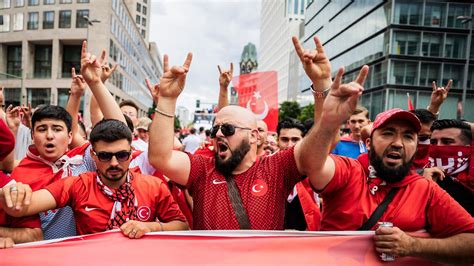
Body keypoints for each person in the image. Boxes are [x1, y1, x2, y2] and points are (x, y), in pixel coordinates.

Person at [147, 35, 333, 230]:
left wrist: (321, 84)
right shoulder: (202, 169)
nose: (219, 134)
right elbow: (160, 157)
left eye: (228, 129)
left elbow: (320, 145)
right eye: (215, 129)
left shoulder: (277, 168)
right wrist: (167, 99)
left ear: (253, 136)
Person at [299, 59, 474, 263]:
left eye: (408, 136)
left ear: (417, 147)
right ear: (369, 143)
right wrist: (328, 118)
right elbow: (312, 164)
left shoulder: (425, 190)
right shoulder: (349, 171)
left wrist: (413, 245)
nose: (398, 143)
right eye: (388, 133)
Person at [7, 41, 127, 241]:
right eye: (42, 129)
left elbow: (120, 134)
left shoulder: (85, 160)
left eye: (57, 129)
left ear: (70, 136)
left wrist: (95, 83)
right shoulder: (21, 174)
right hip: (47, 257)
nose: (50, 135)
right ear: (32, 134)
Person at [0, 119, 188, 238]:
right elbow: (24, 206)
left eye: (122, 155)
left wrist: (150, 227)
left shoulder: (153, 186)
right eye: (105, 156)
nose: (114, 163)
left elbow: (182, 226)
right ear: (93, 156)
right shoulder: (78, 184)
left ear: (131, 154)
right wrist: (15, 193)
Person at [428, 119, 473, 216]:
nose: (438, 146)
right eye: (433, 142)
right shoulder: (422, 175)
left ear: (467, 147)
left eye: (447, 142)